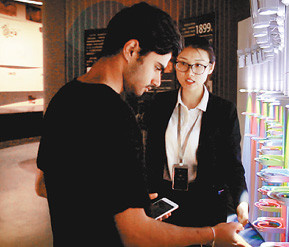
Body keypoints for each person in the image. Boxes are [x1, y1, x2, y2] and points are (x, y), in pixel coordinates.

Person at [35, 3, 247, 247]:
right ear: (132, 50)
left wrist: (120, 198)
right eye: (157, 67)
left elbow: (45, 185)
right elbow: (135, 235)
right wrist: (213, 233)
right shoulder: (118, 115)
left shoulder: (63, 97)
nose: (157, 81)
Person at [145, 36, 249, 231]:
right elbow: (150, 156)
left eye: (198, 66)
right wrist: (148, 194)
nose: (189, 72)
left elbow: (232, 164)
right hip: (166, 203)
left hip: (206, 204)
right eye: (183, 64)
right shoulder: (160, 104)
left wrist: (242, 201)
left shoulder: (223, 110)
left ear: (210, 68)